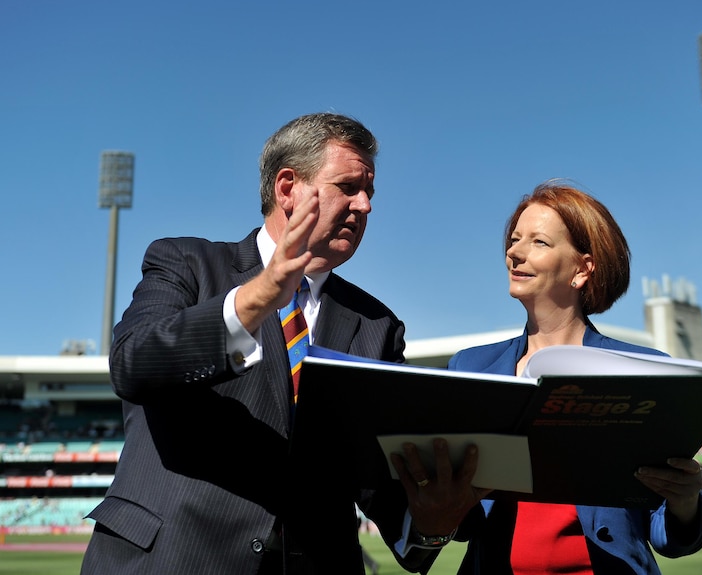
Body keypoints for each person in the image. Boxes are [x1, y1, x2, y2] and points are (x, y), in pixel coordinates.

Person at [80, 112, 483, 575]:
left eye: (370, 191)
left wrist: (430, 520)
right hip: (171, 559)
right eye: (349, 186)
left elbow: (379, 484)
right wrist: (261, 294)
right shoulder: (186, 263)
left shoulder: (378, 327)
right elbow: (133, 365)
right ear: (288, 187)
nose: (366, 205)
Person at [447, 180, 702, 574]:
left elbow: (665, 531)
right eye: (515, 239)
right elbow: (460, 523)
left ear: (583, 269)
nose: (514, 252)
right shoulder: (470, 367)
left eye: (538, 242)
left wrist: (685, 501)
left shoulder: (644, 371)